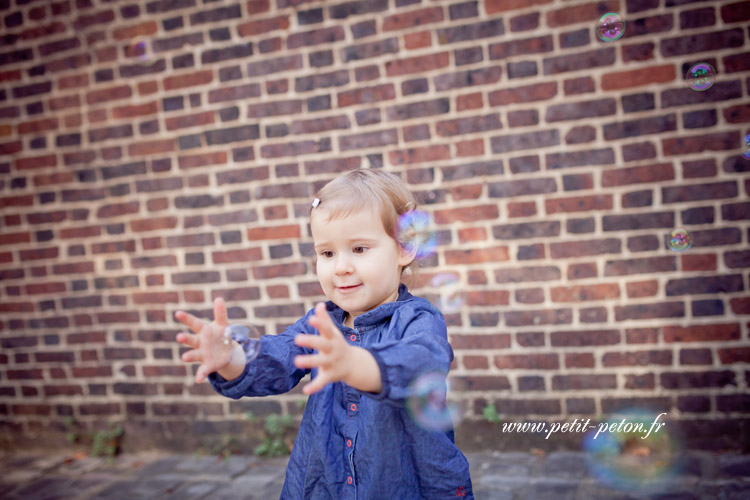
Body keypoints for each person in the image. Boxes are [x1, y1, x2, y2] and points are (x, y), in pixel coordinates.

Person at [175, 168, 474, 499]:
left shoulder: (419, 320)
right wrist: (231, 359)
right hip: (324, 485)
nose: (341, 266)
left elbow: (420, 362)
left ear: (404, 248)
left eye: (359, 249)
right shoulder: (320, 324)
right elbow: (276, 357)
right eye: (327, 253)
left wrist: (355, 364)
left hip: (403, 485)